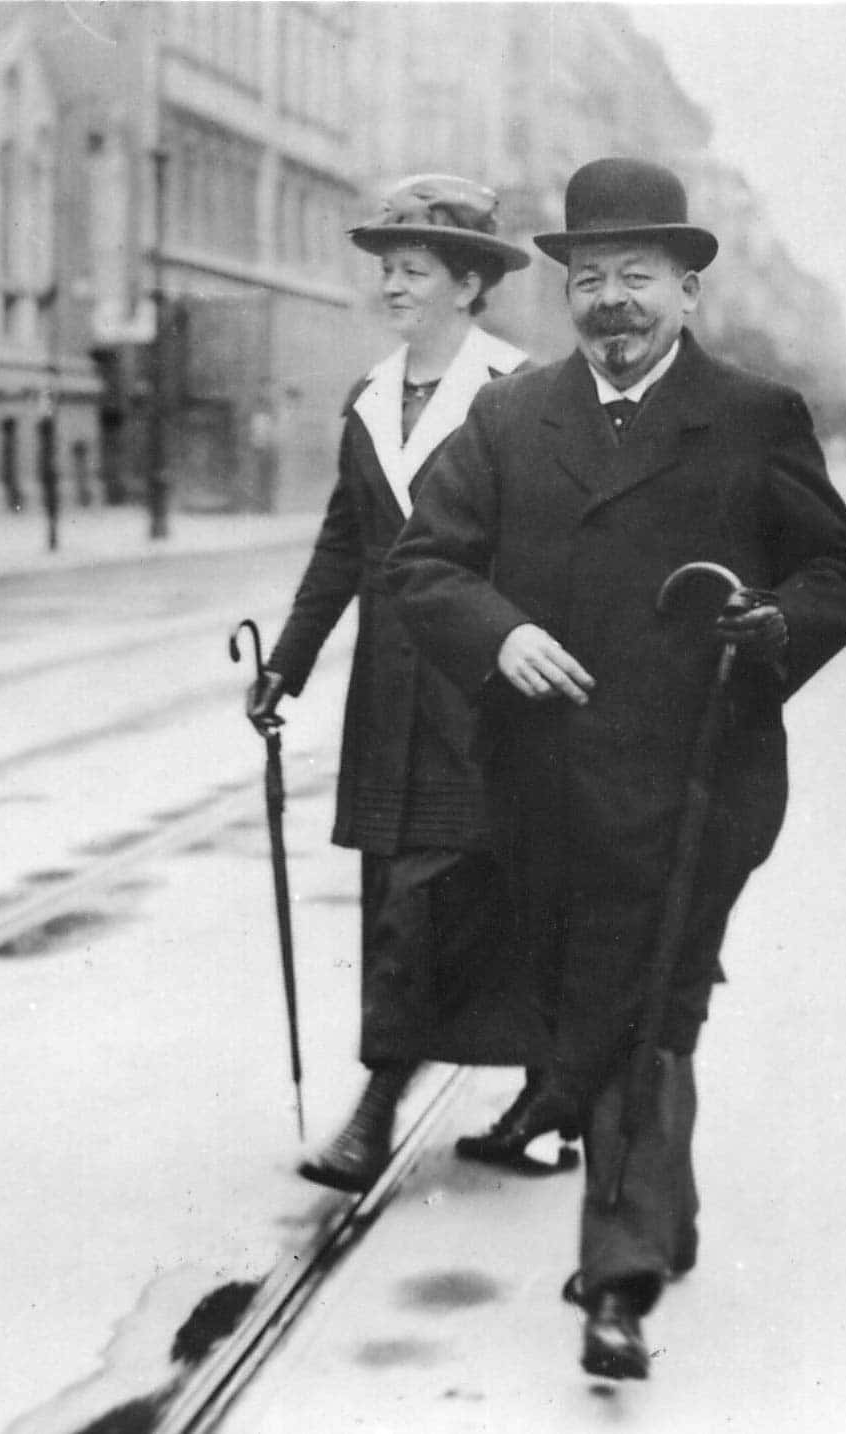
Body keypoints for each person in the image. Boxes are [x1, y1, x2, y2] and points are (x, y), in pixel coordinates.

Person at [386, 157, 846, 1382]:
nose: (612, 301)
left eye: (638, 277)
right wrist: (499, 634)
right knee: (612, 1003)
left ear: (688, 289)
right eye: (591, 278)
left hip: (699, 778)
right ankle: (669, 1214)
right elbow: (425, 565)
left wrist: (778, 624)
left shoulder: (755, 416)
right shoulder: (511, 418)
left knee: (642, 1004)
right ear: (566, 294)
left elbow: (842, 574)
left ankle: (618, 1280)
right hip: (544, 784)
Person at [246, 175, 547, 1195]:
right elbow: (345, 543)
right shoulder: (370, 398)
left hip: (486, 691)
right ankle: (550, 1087)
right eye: (387, 269)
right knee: (406, 891)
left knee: (443, 896)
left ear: (468, 284)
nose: (392, 286)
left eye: (414, 270)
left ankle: (378, 1110)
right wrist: (286, 663)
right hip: (388, 693)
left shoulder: (519, 393)